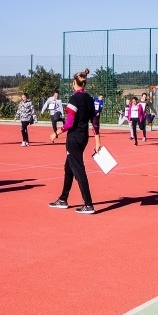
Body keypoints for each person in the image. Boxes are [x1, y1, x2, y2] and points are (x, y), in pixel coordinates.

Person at [48, 69, 99, 215]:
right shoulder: (90, 99)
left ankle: (88, 204)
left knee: (78, 169)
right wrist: (97, 142)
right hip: (84, 138)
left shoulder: (74, 99)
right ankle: (63, 199)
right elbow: (95, 121)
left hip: (74, 138)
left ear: (74, 83)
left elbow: (69, 123)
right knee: (68, 167)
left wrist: (55, 133)